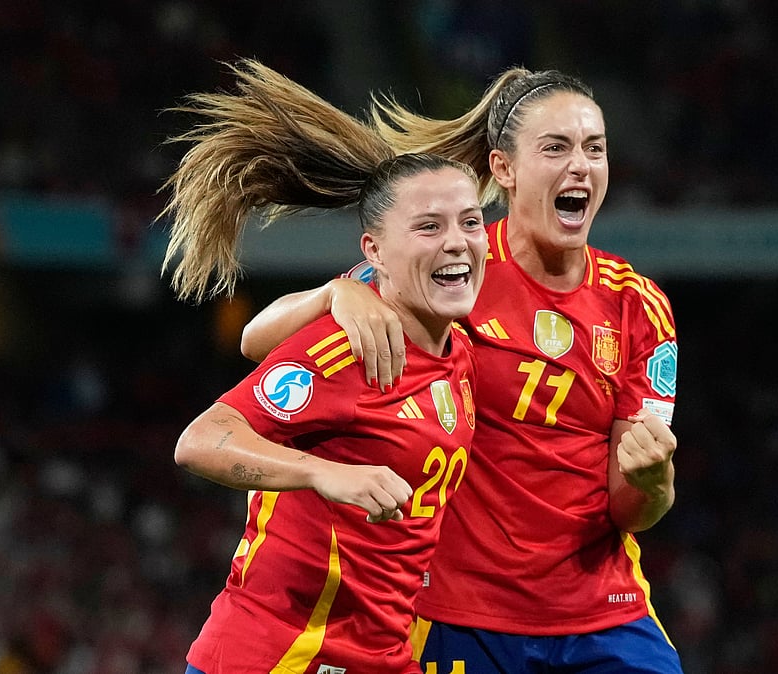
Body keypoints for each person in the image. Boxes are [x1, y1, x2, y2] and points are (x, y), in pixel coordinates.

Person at [241, 67, 683, 672]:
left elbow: (633, 507)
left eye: (594, 148)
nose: (580, 165)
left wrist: (654, 481)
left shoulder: (638, 305)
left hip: (605, 617)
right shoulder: (456, 267)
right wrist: (334, 293)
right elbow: (254, 341)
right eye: (556, 147)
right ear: (503, 169)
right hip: (458, 617)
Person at [159, 59, 487, 673]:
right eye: (429, 226)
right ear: (375, 252)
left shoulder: (455, 347)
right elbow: (199, 440)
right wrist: (322, 473)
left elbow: (261, 334)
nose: (457, 240)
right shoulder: (348, 349)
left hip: (383, 657)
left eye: (470, 222)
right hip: (281, 656)